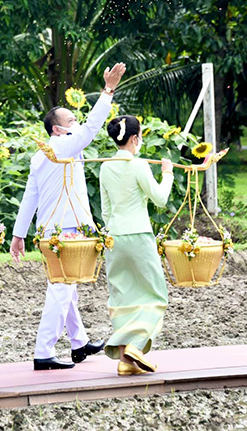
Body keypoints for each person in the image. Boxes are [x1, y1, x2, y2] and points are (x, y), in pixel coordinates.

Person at [11, 63, 126, 370]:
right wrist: (108, 91)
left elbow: (29, 197)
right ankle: (43, 351)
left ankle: (79, 343)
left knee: (67, 286)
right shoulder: (62, 145)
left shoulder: (43, 154)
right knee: (61, 289)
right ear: (59, 130)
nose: (78, 123)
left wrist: (18, 234)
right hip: (65, 232)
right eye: (72, 120)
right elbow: (90, 128)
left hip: (53, 231)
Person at [99, 115, 174, 376]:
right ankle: (137, 344)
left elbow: (106, 211)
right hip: (139, 235)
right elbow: (161, 199)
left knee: (122, 297)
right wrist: (167, 173)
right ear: (134, 139)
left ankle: (125, 361)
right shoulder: (140, 165)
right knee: (156, 295)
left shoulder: (105, 167)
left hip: (114, 238)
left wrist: (113, 232)